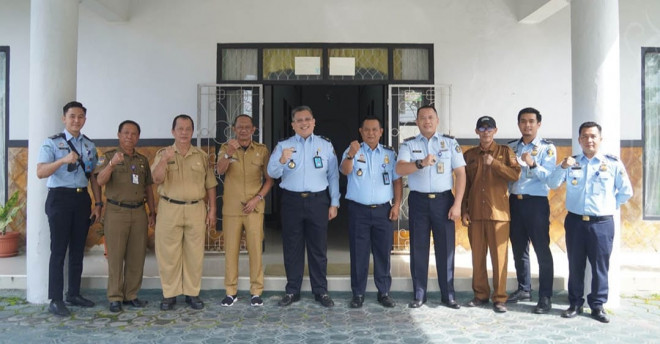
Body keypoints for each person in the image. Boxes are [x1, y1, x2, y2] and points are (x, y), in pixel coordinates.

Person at [547, 121, 632, 323]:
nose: (589, 140)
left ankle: (597, 305)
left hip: (602, 223)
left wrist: (610, 206)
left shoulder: (612, 164)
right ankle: (575, 303)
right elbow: (552, 183)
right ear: (579, 140)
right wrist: (562, 166)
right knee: (575, 264)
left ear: (600, 139)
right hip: (575, 222)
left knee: (600, 266)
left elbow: (626, 191)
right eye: (585, 136)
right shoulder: (571, 162)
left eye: (593, 136)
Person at [267, 105, 340, 308]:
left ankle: (321, 291)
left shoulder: (325, 145)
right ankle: (292, 290)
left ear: (314, 122)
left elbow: (333, 175)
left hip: (318, 201)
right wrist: (282, 160)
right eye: (299, 120)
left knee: (318, 248)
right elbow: (272, 173)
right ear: (293, 125)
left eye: (307, 119)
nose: (304, 123)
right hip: (292, 201)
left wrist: (334, 202)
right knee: (292, 247)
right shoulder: (284, 145)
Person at [395, 105, 466, 309]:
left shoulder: (450, 143)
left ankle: (448, 294)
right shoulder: (408, 145)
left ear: (437, 120)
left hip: (444, 201)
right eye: (422, 118)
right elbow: (399, 169)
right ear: (416, 122)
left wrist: (458, 204)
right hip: (418, 201)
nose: (427, 121)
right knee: (418, 247)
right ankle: (419, 294)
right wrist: (420, 164)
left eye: (430, 117)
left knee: (446, 249)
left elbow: (460, 173)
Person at [37, 101, 103, 317]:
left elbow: (93, 176)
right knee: (58, 251)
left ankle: (73, 293)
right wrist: (63, 160)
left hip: (81, 199)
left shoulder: (89, 145)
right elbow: (41, 172)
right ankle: (55, 299)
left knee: (77, 249)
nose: (76, 120)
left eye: (81, 116)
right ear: (64, 118)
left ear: (85, 119)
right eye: (72, 116)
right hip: (60, 198)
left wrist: (98, 203)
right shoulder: (52, 143)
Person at [151, 114, 217, 311]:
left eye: (188, 129)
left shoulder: (202, 156)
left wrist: (212, 209)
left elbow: (211, 185)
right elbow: (156, 178)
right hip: (169, 207)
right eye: (180, 129)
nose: (184, 132)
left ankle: (192, 293)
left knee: (194, 253)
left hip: (196, 208)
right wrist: (164, 160)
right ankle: (169, 294)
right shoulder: (163, 153)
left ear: (192, 131)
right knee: (168, 253)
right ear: (173, 131)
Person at [94, 120, 156, 313]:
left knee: (137, 256)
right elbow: (99, 180)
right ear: (119, 135)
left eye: (134, 134)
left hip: (139, 212)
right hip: (116, 211)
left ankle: (131, 295)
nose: (130, 137)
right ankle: (115, 297)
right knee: (115, 256)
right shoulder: (108, 157)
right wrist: (112, 165)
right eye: (126, 133)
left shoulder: (142, 160)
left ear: (138, 137)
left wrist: (152, 212)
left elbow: (148, 188)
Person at [340, 116, 403, 308]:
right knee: (359, 253)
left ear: (381, 132)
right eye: (366, 130)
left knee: (383, 252)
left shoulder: (389, 154)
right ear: (361, 131)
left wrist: (397, 204)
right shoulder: (353, 151)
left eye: (375, 129)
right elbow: (344, 170)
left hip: (383, 210)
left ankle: (383, 292)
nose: (370, 133)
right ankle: (358, 293)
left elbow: (397, 181)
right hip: (358, 210)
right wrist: (351, 154)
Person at [461, 116, 520, 313]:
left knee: (500, 258)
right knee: (478, 257)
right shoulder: (469, 155)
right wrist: (464, 210)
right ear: (476, 131)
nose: (485, 131)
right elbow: (465, 185)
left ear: (495, 130)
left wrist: (494, 163)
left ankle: (500, 297)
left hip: (499, 213)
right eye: (482, 128)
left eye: (489, 128)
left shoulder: (505, 152)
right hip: (476, 213)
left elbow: (515, 175)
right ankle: (480, 295)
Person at [216, 114, 273, 307]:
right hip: (232, 209)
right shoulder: (226, 148)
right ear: (233, 129)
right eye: (239, 127)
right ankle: (231, 291)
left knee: (255, 250)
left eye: (247, 127)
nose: (243, 130)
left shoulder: (262, 151)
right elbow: (220, 170)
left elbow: (269, 179)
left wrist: (257, 199)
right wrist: (229, 153)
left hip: (254, 209)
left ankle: (256, 291)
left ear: (253, 129)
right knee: (230, 251)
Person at [506, 107, 556, 313]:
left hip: (536, 203)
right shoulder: (510, 148)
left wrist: (533, 164)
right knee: (519, 249)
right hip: (514, 203)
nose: (527, 125)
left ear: (538, 124)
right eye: (523, 121)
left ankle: (545, 296)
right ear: (518, 124)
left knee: (541, 250)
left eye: (531, 121)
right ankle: (523, 288)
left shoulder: (547, 148)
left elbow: (551, 178)